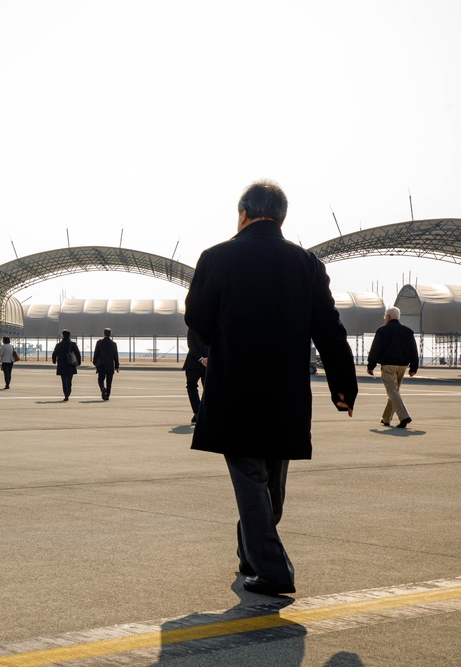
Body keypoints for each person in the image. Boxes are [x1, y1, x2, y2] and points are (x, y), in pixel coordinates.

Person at [185, 179, 357, 597]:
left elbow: (200, 321)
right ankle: (252, 556)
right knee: (272, 481)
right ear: (281, 217)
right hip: (287, 393)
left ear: (242, 214)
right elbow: (330, 331)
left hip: (236, 389)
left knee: (249, 477)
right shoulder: (307, 264)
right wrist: (343, 386)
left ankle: (273, 569)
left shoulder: (216, 258)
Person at [367, 306, 419, 428]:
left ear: (389, 317)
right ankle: (386, 418)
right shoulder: (408, 331)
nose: (385, 318)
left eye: (385, 316)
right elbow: (413, 350)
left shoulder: (382, 331)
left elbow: (375, 350)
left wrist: (371, 365)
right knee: (394, 392)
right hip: (403, 366)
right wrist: (413, 368)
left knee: (392, 391)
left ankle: (404, 417)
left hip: (388, 365)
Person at [183, 328, 210, 421]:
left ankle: (197, 412)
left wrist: (201, 358)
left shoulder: (192, 328)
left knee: (191, 387)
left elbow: (191, 346)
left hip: (193, 362)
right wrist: (205, 358)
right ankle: (202, 412)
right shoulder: (213, 327)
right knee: (207, 389)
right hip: (208, 362)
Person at [51, 330, 81, 401]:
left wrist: (54, 360)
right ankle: (68, 392)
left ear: (63, 336)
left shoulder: (59, 345)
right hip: (71, 364)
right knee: (69, 381)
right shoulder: (73, 344)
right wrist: (78, 362)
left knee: (64, 380)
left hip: (62, 365)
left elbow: (54, 354)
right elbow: (77, 353)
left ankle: (66, 394)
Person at [92, 328, 119, 400]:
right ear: (110, 334)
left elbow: (96, 353)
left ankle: (103, 388)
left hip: (101, 364)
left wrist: (94, 362)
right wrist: (117, 366)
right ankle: (107, 395)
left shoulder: (99, 342)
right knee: (109, 381)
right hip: (110, 365)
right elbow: (115, 356)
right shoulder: (113, 344)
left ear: (103, 334)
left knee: (100, 380)